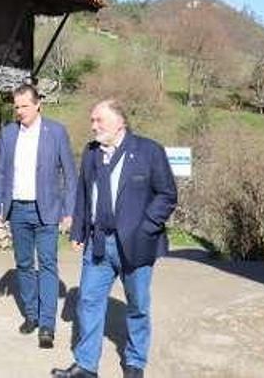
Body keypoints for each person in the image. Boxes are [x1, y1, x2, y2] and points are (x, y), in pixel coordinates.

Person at [52, 99, 177, 378]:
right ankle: (86, 365)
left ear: (120, 122)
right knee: (88, 302)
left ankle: (134, 363)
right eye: (92, 121)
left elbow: (167, 194)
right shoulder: (91, 152)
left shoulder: (148, 151)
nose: (93, 126)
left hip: (136, 244)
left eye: (100, 120)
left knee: (138, 306)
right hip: (98, 243)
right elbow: (84, 195)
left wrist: (146, 227)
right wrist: (78, 231)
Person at [0, 84, 77, 349]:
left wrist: (69, 210)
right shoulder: (8, 134)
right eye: (16, 107)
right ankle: (32, 315)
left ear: (38, 105)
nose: (20, 111)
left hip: (47, 209)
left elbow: (70, 175)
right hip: (17, 209)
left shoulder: (56, 132)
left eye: (25, 106)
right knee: (24, 264)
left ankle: (47, 324)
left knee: (48, 264)